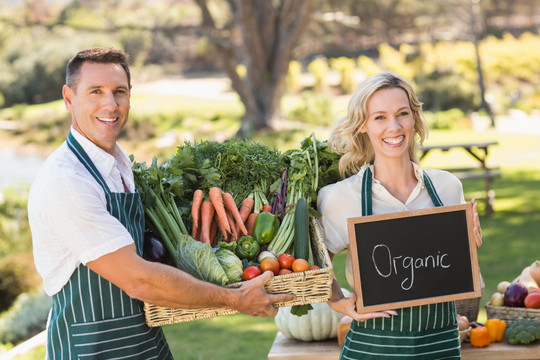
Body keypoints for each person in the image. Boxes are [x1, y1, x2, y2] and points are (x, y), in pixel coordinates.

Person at [27, 47, 294, 359]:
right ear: (69, 98)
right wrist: (234, 299)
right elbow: (138, 279)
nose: (110, 105)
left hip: (144, 343)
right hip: (92, 350)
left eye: (119, 92)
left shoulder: (120, 165)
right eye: (95, 91)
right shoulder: (67, 181)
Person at [317, 72, 483, 359]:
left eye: (402, 113)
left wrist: (467, 248)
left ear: (414, 120)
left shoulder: (447, 187)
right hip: (374, 347)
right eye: (379, 117)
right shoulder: (340, 197)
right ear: (363, 126)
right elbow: (319, 264)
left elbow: (454, 274)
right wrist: (337, 301)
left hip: (440, 344)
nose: (394, 127)